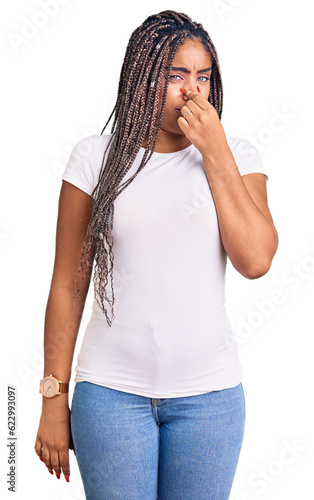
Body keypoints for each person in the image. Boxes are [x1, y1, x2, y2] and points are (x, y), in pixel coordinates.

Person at [34, 9, 278, 499]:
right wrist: (51, 401)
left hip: (210, 402)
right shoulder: (94, 159)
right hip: (109, 398)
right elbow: (68, 284)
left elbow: (255, 260)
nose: (194, 90)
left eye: (203, 77)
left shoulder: (239, 157)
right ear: (142, 78)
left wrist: (215, 152)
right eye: (176, 76)